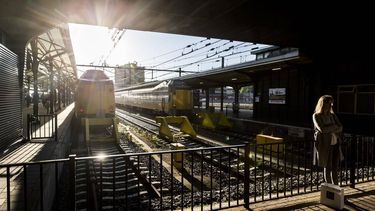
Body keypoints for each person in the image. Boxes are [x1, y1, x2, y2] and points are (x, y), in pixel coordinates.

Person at [313, 95, 343, 185]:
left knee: (335, 167)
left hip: (336, 144)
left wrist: (330, 128)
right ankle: (330, 189)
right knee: (327, 166)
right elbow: (322, 129)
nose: (330, 105)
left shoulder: (333, 115)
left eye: (331, 103)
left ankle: (336, 189)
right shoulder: (316, 116)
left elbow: (341, 127)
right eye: (328, 102)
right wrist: (334, 127)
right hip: (325, 145)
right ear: (322, 103)